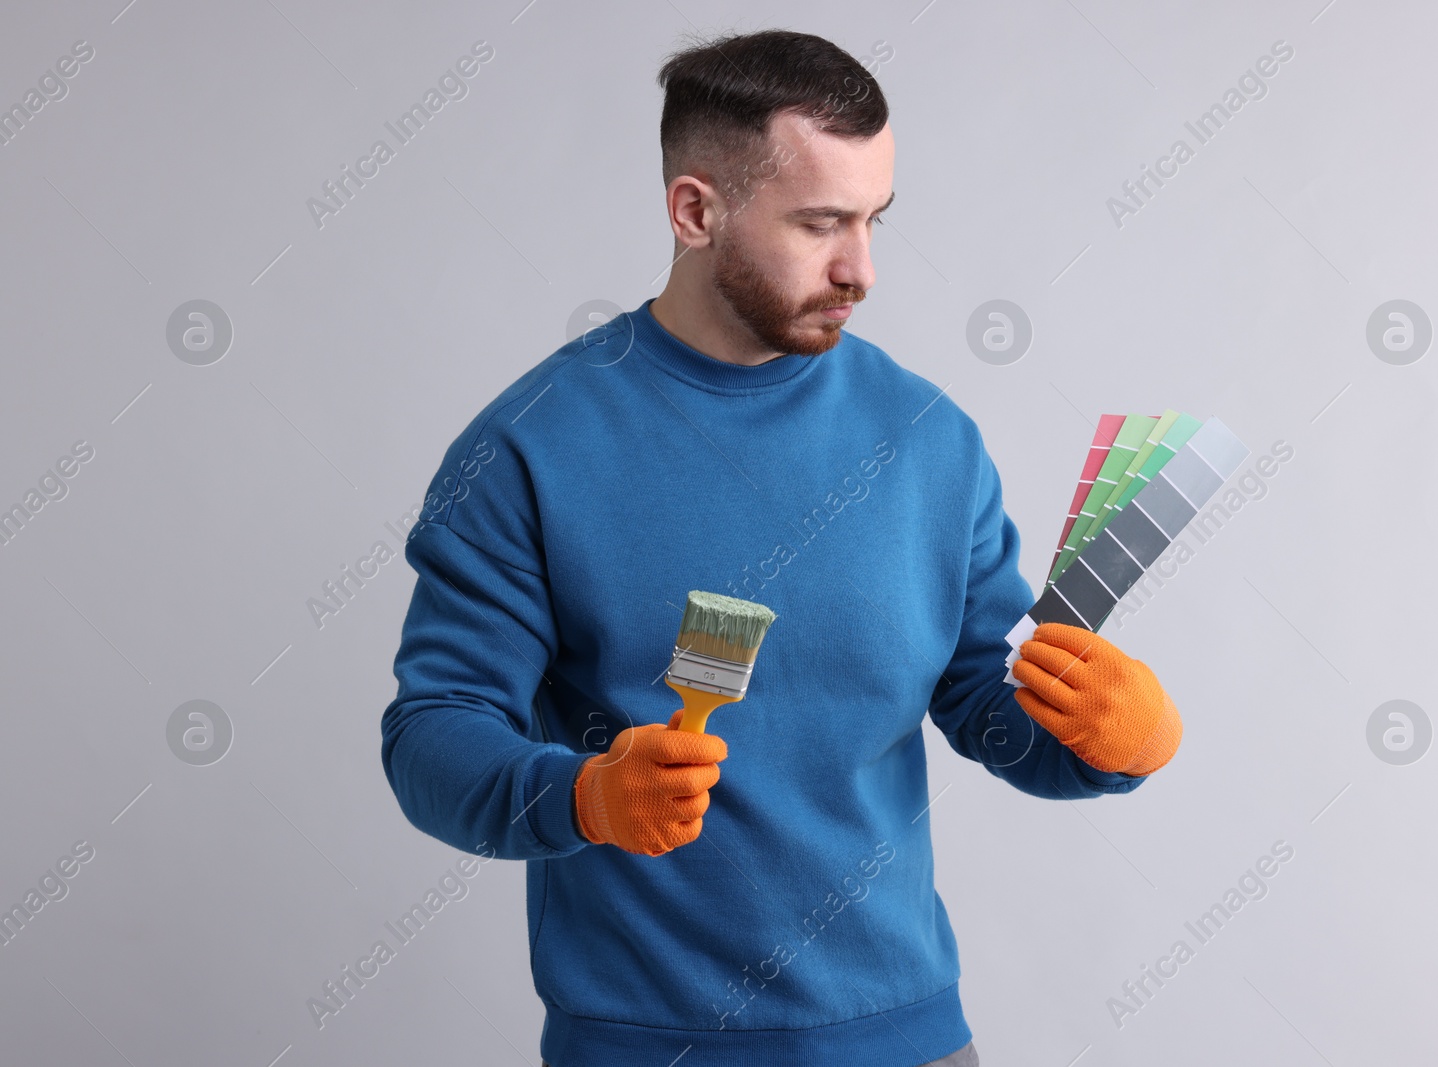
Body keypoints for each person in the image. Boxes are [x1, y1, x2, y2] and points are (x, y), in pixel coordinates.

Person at [380, 27, 1181, 1067]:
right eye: (820, 224)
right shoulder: (529, 447)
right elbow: (432, 735)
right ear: (694, 211)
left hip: (909, 1040)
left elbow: (993, 709)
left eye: (873, 220)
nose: (861, 268)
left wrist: (1114, 744)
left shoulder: (927, 437)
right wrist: (582, 794)